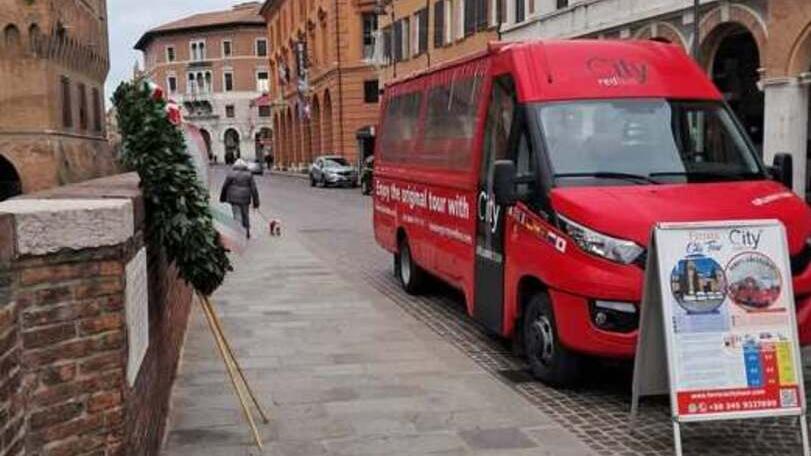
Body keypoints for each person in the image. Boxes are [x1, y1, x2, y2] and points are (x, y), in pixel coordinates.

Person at [220, 159, 260, 238]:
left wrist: (222, 198)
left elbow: (224, 186)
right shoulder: (249, 175)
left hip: (233, 199)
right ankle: (247, 231)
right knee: (245, 214)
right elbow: (254, 189)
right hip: (245, 199)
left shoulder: (231, 174)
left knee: (237, 214)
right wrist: (256, 203)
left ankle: (238, 234)